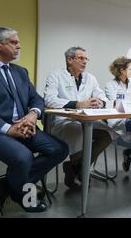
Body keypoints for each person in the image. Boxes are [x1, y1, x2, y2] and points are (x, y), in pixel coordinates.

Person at [0, 27, 68, 216]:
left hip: (23, 128)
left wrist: (33, 114)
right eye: (14, 42)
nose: (19, 46)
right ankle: (23, 194)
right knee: (23, 156)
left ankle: (4, 187)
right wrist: (8, 129)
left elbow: (36, 99)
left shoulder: (20, 72)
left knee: (60, 149)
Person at [44, 46, 115, 189]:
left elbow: (102, 96)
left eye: (86, 58)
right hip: (63, 122)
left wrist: (100, 101)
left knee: (108, 133)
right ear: (70, 60)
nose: (85, 61)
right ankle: (79, 168)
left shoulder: (90, 78)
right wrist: (77, 104)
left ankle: (75, 167)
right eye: (81, 58)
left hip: (86, 121)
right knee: (76, 130)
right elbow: (49, 100)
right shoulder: (56, 75)